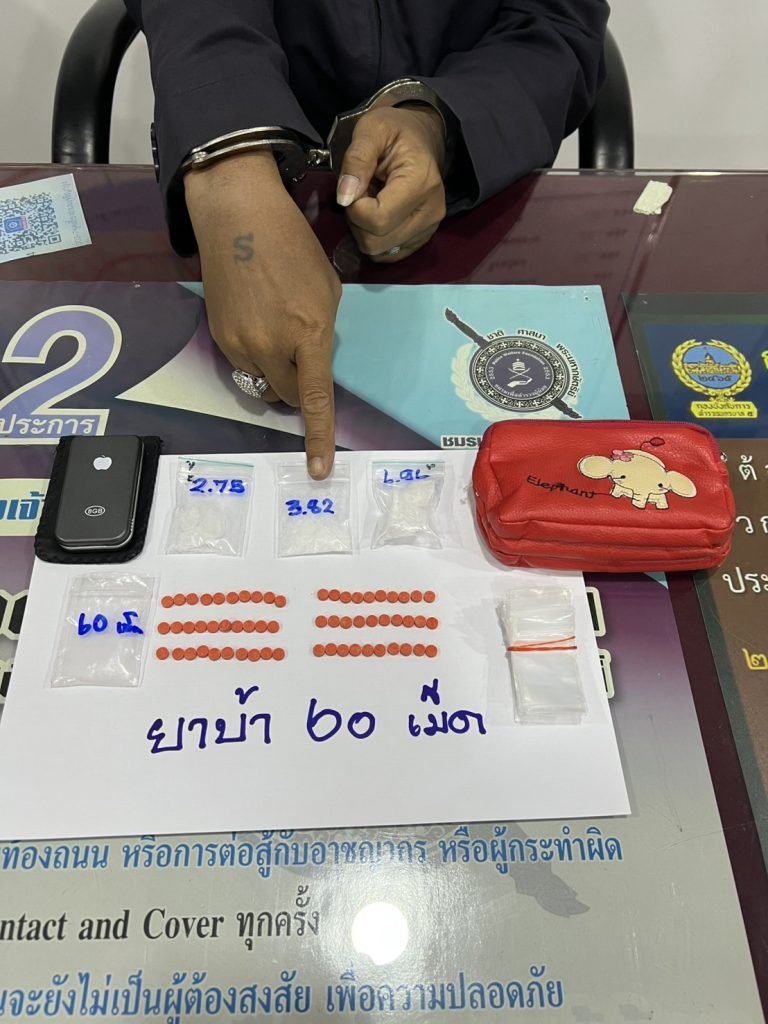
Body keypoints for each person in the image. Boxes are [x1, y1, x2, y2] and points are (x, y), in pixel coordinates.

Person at [126, 0, 609, 478]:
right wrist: (230, 169)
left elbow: (556, 23)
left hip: (479, 192)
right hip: (256, 172)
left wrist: (440, 120)